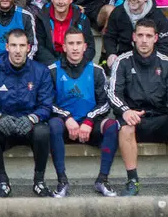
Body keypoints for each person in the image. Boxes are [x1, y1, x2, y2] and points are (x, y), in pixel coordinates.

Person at [108, 19, 168, 196]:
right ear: (133, 37)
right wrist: (125, 110)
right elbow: (113, 94)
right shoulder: (122, 62)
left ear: (155, 38)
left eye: (148, 36)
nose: (144, 40)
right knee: (125, 128)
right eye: (140, 35)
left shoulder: (167, 63)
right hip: (134, 118)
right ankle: (132, 180)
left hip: (159, 119)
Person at [0, 29, 53, 197]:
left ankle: (39, 181)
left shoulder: (40, 71)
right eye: (13, 45)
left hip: (30, 126)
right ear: (7, 47)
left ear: (28, 47)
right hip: (5, 126)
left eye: (22, 45)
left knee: (43, 131)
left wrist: (32, 118)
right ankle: (3, 182)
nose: (17, 50)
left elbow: (46, 105)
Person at [48, 27, 119, 197]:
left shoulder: (96, 71)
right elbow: (47, 103)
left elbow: (105, 103)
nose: (74, 48)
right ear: (63, 47)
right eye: (70, 43)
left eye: (78, 43)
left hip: (90, 126)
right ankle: (62, 181)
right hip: (65, 127)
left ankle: (102, 179)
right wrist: (66, 117)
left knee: (111, 125)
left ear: (85, 46)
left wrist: (89, 120)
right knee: (52, 125)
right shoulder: (52, 70)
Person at [105, 0, 168, 69]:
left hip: (151, 60)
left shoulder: (158, 16)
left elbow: (164, 45)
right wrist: (111, 54)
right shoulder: (117, 12)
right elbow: (110, 36)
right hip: (124, 58)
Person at [34, 0, 94, 65]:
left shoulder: (81, 18)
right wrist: (56, 65)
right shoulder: (42, 17)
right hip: (49, 63)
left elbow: (90, 47)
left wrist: (76, 64)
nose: (60, 2)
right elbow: (39, 47)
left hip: (75, 63)